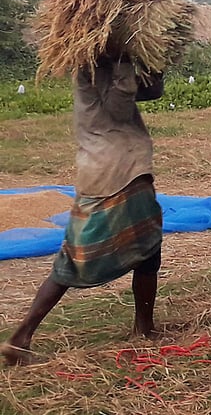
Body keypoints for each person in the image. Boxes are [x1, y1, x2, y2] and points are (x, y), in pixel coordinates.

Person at [3, 62, 165, 366]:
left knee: (147, 249)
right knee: (77, 259)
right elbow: (119, 108)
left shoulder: (104, 61)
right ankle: (21, 337)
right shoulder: (100, 62)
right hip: (115, 173)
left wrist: (155, 64)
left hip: (118, 169)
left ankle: (144, 327)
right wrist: (127, 65)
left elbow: (149, 93)